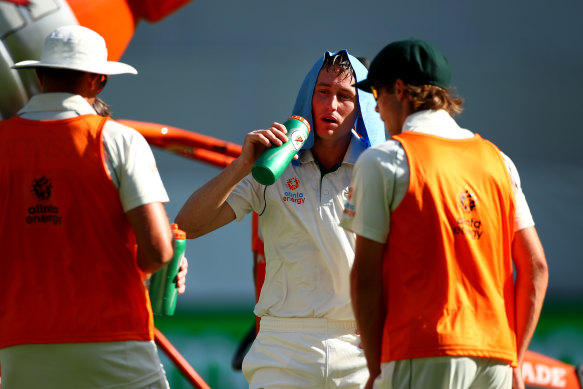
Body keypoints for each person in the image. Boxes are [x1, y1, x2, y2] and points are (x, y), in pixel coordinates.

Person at [340, 38, 549, 389]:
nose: (375, 110)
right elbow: (536, 268)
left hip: (422, 349)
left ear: (400, 90)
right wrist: (514, 358)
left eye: (376, 95)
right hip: (495, 355)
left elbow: (365, 278)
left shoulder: (384, 160)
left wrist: (376, 371)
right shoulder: (499, 161)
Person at [175, 49, 385, 388]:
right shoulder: (272, 163)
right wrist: (242, 165)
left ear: (362, 107)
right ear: (307, 97)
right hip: (283, 346)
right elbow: (188, 226)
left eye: (344, 96)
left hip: (359, 344)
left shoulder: (379, 170)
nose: (331, 105)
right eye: (323, 91)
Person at [0, 25, 187, 389]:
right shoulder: (117, 139)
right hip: (113, 336)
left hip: (20, 341)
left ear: (39, 76)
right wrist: (147, 270)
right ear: (98, 81)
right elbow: (159, 249)